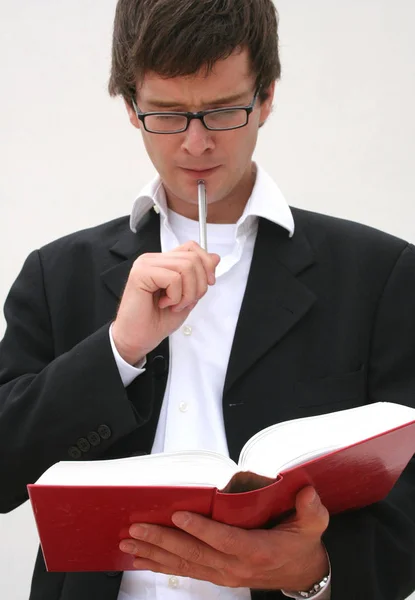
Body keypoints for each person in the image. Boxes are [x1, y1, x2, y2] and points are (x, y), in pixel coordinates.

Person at [1, 0, 415, 599]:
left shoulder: (379, 274)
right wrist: (120, 350)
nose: (195, 144)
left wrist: (314, 570)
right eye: (166, 115)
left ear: (266, 96)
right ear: (130, 108)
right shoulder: (56, 273)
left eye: (222, 111)